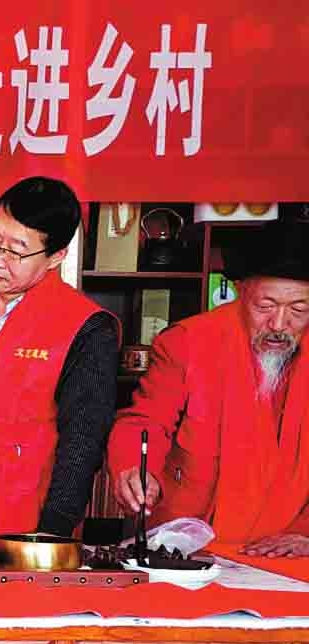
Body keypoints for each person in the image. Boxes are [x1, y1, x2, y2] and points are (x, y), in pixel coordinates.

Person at [0, 176, 120, 538]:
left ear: (56, 256)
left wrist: (49, 538)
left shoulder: (86, 328)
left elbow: (82, 445)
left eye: (16, 251)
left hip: (20, 534)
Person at [109, 223, 309, 558]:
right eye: (265, 306)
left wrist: (305, 534)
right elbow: (146, 420)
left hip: (289, 549)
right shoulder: (188, 343)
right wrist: (133, 467)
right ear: (240, 291)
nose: (278, 324)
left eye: (298, 310)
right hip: (188, 543)